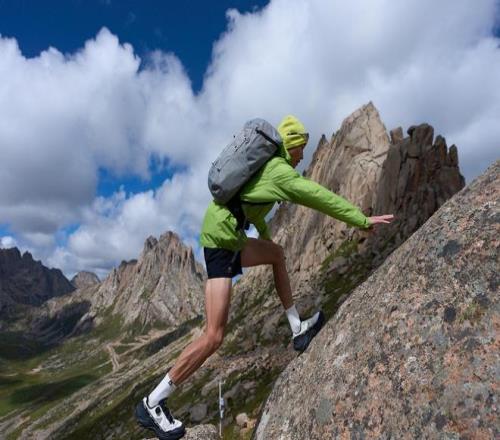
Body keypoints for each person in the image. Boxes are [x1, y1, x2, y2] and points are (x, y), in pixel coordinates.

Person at [135, 115, 394, 439]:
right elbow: (317, 195)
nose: (302, 156)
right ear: (292, 144)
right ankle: (153, 402)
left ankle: (297, 328)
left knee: (277, 254)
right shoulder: (279, 171)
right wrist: (360, 219)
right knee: (213, 336)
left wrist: (267, 243)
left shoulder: (267, 170)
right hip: (220, 241)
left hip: (228, 236)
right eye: (301, 148)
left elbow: (254, 213)